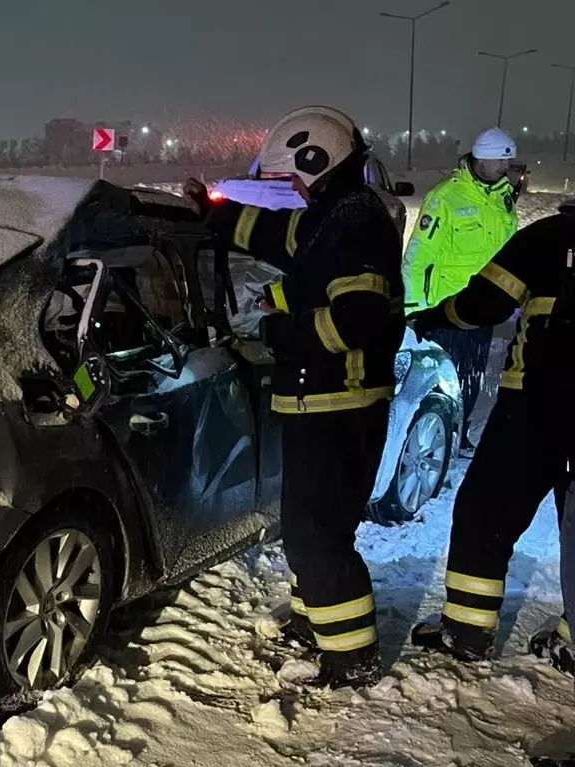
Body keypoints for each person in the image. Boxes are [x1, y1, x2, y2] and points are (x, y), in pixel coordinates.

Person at [184, 105, 405, 688]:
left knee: (313, 533)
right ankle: (320, 625)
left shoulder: (351, 223)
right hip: (336, 401)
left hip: (338, 402)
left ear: (319, 160)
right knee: (322, 526)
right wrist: (213, 214)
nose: (293, 190)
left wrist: (279, 331)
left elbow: (356, 319)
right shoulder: (337, 214)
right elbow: (278, 238)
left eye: (295, 178)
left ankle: (351, 658)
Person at [408, 200, 575, 662]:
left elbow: (484, 303)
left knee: (485, 513)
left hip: (536, 402)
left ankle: (466, 631)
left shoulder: (551, 235)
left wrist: (434, 316)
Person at [402, 128, 519, 455]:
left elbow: (507, 253)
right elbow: (416, 256)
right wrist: (413, 309)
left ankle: (458, 434)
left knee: (472, 375)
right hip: (445, 309)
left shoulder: (503, 198)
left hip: (482, 307)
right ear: (483, 158)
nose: (505, 168)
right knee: (439, 381)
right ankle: (427, 441)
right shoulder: (446, 197)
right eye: (501, 161)